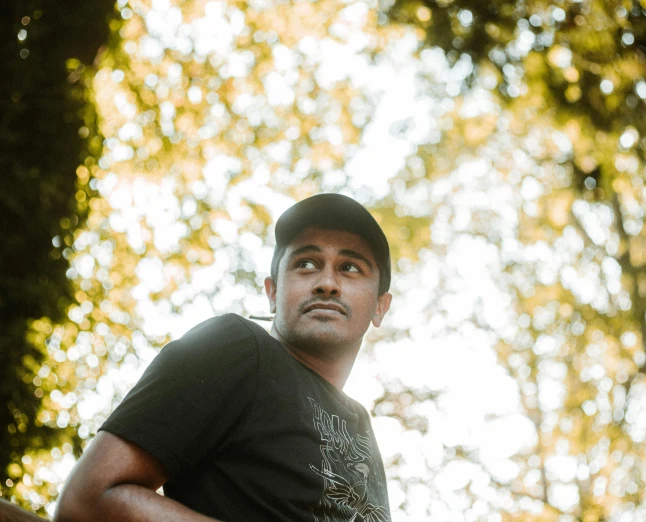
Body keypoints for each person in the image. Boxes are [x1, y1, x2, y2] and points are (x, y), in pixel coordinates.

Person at [55, 193, 394, 522]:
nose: (327, 283)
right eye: (306, 263)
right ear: (273, 293)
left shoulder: (360, 422)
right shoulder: (235, 347)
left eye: (350, 267)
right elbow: (88, 498)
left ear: (380, 306)